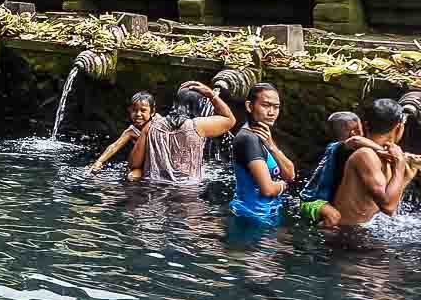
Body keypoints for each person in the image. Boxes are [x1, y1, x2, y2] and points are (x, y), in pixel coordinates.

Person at [330, 99, 421, 227]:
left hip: (360, 233)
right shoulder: (365, 155)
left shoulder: (387, 156)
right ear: (399, 127)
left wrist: (406, 177)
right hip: (345, 236)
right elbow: (388, 207)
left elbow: (382, 206)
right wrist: (400, 164)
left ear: (366, 125)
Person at [128, 82, 235, 184]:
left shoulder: (151, 126)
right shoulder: (198, 126)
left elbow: (134, 163)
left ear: (176, 103)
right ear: (197, 106)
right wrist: (211, 95)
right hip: (188, 192)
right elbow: (230, 120)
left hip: (155, 191)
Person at [229, 83, 296, 225]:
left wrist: (271, 145)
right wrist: (283, 185)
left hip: (266, 214)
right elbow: (267, 189)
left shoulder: (264, 135)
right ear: (249, 106)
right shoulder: (249, 139)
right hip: (251, 218)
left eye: (276, 107)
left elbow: (290, 174)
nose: (272, 112)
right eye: (266, 105)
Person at [299, 112, 371, 227]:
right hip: (311, 201)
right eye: (360, 129)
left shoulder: (338, 149)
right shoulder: (337, 147)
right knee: (333, 217)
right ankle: (318, 232)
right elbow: (356, 141)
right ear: (355, 132)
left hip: (326, 200)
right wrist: (384, 151)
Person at [89, 92, 154, 174]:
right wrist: (99, 161)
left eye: (143, 110)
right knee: (132, 176)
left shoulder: (157, 123)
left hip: (158, 162)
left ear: (152, 111)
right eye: (134, 110)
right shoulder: (131, 130)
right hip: (142, 164)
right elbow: (115, 146)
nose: (138, 114)